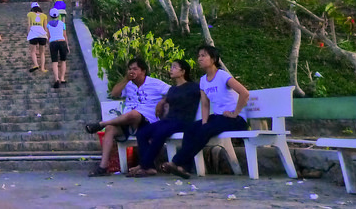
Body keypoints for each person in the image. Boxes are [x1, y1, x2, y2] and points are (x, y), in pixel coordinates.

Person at [161, 45, 250, 179]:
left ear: (213, 59)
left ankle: (175, 162)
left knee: (206, 130)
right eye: (199, 56)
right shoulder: (203, 80)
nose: (199, 59)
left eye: (203, 56)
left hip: (235, 120)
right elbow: (205, 104)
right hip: (219, 118)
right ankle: (183, 168)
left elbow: (244, 93)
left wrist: (235, 113)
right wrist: (203, 122)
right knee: (191, 129)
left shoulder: (222, 75)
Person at [84, 56, 170, 176]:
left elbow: (172, 92)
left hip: (147, 121)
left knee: (134, 114)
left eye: (135, 69)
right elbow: (114, 94)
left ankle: (102, 124)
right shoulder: (128, 84)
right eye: (130, 69)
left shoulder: (154, 83)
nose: (132, 71)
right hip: (128, 121)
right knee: (110, 129)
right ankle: (102, 167)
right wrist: (125, 79)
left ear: (143, 71)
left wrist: (162, 101)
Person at [127, 59, 200, 177]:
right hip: (169, 120)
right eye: (171, 67)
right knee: (142, 133)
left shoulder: (193, 87)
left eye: (174, 67)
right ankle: (149, 167)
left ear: (183, 72)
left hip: (184, 121)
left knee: (160, 133)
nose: (171, 69)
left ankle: (143, 166)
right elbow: (170, 97)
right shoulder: (172, 89)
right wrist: (162, 101)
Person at [46, 7, 70, 88]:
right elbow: (65, 35)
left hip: (53, 43)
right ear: (58, 15)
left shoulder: (48, 25)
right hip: (62, 42)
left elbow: (48, 36)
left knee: (54, 62)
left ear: (50, 15)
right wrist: (67, 45)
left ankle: (56, 78)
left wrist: (48, 44)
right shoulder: (62, 24)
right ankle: (62, 78)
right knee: (63, 61)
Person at [25, 2, 49, 73]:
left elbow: (29, 25)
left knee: (33, 51)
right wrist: (46, 35)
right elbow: (45, 26)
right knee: (42, 53)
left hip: (33, 32)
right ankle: (42, 68)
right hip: (42, 33)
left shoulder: (29, 14)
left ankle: (36, 64)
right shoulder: (44, 16)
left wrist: (28, 33)